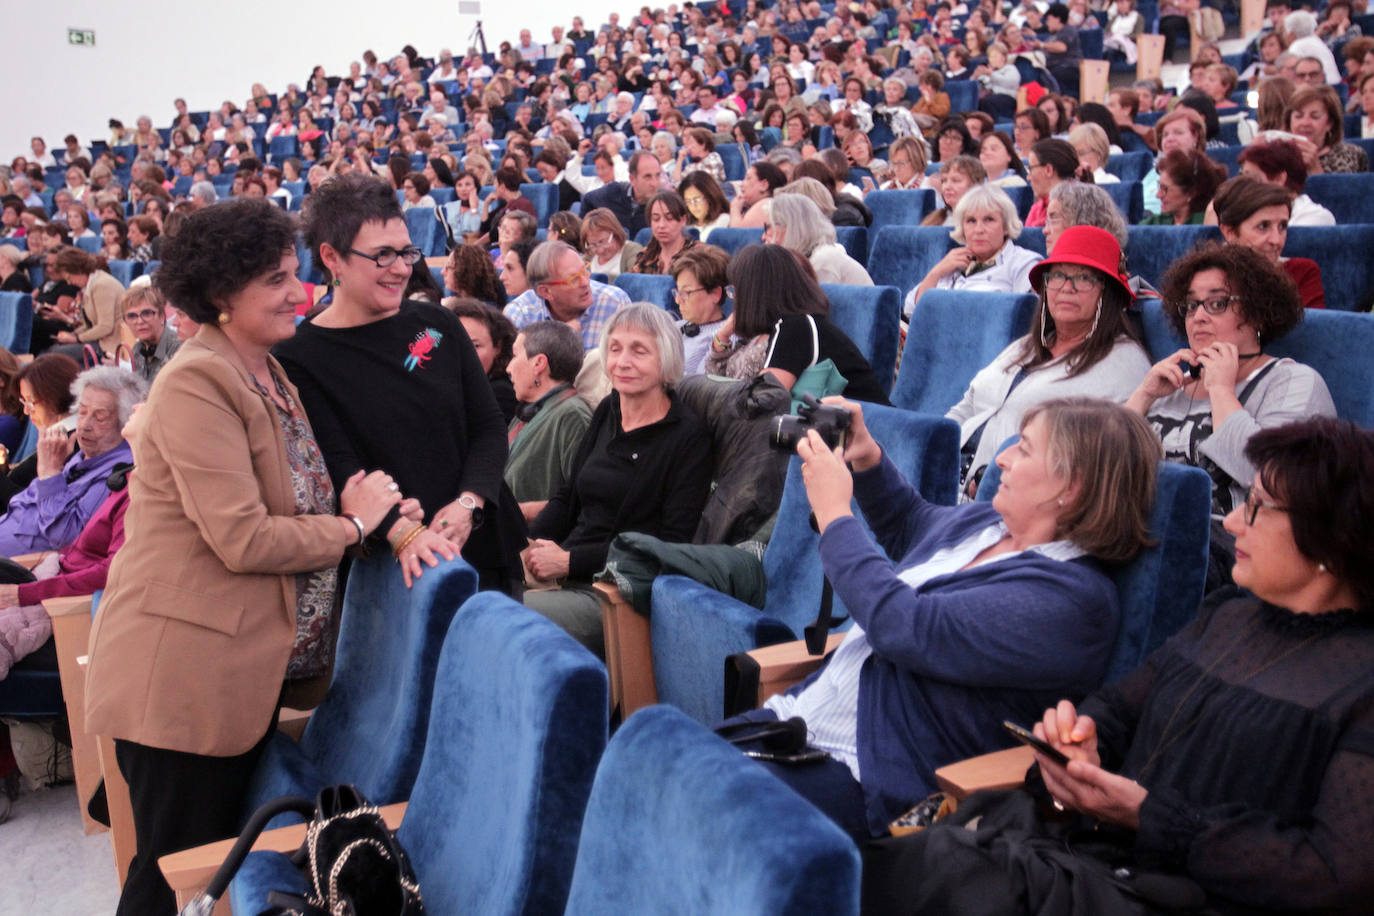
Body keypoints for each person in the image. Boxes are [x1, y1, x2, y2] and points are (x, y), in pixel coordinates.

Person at [864, 416, 1374, 916]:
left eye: (1258, 509)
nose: (1235, 521)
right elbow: (1115, 711)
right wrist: (1077, 744)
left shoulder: (1360, 681)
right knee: (906, 862)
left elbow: (1335, 873)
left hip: (1194, 896)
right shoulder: (1227, 615)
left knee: (934, 872)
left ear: (1330, 535)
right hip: (1095, 860)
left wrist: (1146, 816)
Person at [83, 198, 416, 916]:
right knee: (170, 881)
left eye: (295, 275)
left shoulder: (267, 370)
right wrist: (351, 528)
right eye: (273, 280)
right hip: (182, 681)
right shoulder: (199, 381)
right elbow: (244, 538)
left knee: (192, 868)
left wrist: (362, 509)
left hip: (233, 675)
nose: (297, 293)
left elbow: (295, 498)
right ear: (218, 297)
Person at [732, 396, 1160, 844]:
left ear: (1070, 487)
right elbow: (910, 524)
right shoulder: (989, 524)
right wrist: (867, 455)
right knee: (659, 763)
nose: (1001, 458)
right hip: (795, 725)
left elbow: (907, 627)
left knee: (689, 810)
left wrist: (835, 514)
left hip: (870, 779)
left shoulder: (1073, 603)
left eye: (1025, 449)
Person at [273, 175, 515, 591]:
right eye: (383, 256)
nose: (402, 269)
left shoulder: (437, 322)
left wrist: (468, 503)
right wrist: (401, 529)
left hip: (480, 543)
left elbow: (488, 426)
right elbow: (340, 466)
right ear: (332, 258)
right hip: (390, 566)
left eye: (406, 252)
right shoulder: (299, 356)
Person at [1127, 243, 1334, 586]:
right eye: (1191, 305)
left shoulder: (1294, 382)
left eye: (1217, 303)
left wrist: (1222, 391)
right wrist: (1143, 395)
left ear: (1257, 313)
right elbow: (1102, 467)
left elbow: (1269, 478)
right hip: (1142, 528)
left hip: (1226, 544)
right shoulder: (1169, 385)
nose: (1198, 316)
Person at [522, 303, 712, 656]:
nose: (622, 361)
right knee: (476, 581)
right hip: (563, 564)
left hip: (614, 591)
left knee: (505, 614)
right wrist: (531, 544)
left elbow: (668, 544)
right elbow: (568, 497)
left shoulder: (688, 438)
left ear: (667, 360)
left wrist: (570, 561)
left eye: (639, 351)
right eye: (614, 348)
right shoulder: (610, 408)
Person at [948, 227, 1152, 495]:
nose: (1067, 288)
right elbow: (967, 406)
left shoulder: (1125, 363)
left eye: (1084, 278)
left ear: (1108, 292)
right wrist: (933, 454)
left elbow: (1093, 456)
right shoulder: (1025, 346)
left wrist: (993, 482)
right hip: (951, 478)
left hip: (1011, 497)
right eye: (1057, 276)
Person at [711, 244, 888, 404]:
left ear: (755, 294)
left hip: (871, 430)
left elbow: (762, 399)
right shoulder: (794, 324)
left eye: (736, 291)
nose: (734, 299)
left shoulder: (796, 327)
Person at [0, 365, 144, 557]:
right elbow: (23, 502)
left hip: (24, 567)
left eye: (99, 417)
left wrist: (50, 473)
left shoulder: (117, 474)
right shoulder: (84, 455)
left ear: (125, 424)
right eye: (82, 412)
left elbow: (65, 538)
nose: (84, 425)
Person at [504, 320, 594, 522]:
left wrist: (520, 512)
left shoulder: (572, 415)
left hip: (541, 547)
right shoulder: (531, 411)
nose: (508, 367)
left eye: (515, 355)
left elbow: (584, 501)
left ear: (538, 364)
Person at [905, 184, 1040, 318]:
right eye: (971, 221)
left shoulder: (1023, 263)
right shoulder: (952, 263)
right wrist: (935, 273)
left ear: (1005, 226)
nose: (979, 230)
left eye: (989, 220)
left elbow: (1030, 319)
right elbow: (911, 310)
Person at [1211, 176, 1324, 309]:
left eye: (1282, 226)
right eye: (1263, 226)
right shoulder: (1205, 277)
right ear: (1230, 232)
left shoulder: (1301, 272)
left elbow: (1308, 328)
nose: (1276, 240)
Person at [505, 240, 632, 351]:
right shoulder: (520, 314)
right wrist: (556, 341)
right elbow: (515, 374)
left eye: (585, 270)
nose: (585, 282)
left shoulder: (615, 303)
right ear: (545, 292)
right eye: (574, 279)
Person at [767, 193, 874, 286]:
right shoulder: (807, 257)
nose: (764, 235)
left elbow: (814, 308)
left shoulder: (823, 261)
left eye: (768, 227)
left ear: (791, 228)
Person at [448, 298, 519, 422]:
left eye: (475, 346)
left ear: (498, 347)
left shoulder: (499, 395)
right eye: (453, 345)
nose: (463, 354)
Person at [1237, 138, 1336, 227]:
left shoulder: (1315, 218)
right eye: (1242, 176)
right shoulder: (1245, 212)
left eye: (1251, 178)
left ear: (1279, 179)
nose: (1244, 186)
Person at [47, 246, 123, 360]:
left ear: (78, 269)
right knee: (53, 349)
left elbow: (105, 327)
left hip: (111, 344)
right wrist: (73, 335)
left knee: (55, 355)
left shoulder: (101, 285)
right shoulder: (90, 285)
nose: (68, 283)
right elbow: (89, 325)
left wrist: (76, 339)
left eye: (68, 277)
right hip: (100, 340)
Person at [668, 243, 731, 376]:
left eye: (686, 293)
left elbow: (698, 388)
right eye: (677, 292)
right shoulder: (674, 327)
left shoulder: (726, 340)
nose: (677, 300)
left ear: (715, 294)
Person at [1283, 84, 1369, 173]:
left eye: (1315, 117)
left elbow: (1340, 186)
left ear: (1330, 123)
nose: (1305, 123)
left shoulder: (1349, 155)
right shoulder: (1278, 154)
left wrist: (1314, 168)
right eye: (1298, 116)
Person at [1140, 149, 1227, 225]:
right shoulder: (1155, 222)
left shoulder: (1204, 223)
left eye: (1165, 189)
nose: (1158, 195)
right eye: (1159, 186)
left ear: (1191, 192)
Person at [120, 285, 182, 384]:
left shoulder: (179, 349)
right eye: (132, 316)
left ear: (162, 317)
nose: (139, 321)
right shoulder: (137, 350)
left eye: (147, 313)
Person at [632, 190, 699, 274]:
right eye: (656, 219)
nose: (661, 225)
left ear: (683, 220)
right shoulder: (645, 256)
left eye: (669, 218)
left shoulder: (698, 256)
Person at [1023, 139, 1078, 227]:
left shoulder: (1075, 208)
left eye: (1030, 169)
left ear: (1049, 170)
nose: (1028, 178)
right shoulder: (1036, 209)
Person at [921, 156, 988, 228]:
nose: (947, 187)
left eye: (956, 180)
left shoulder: (984, 222)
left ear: (975, 185)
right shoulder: (933, 220)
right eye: (944, 181)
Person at [581, 207, 643, 279]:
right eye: (593, 244)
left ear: (615, 234)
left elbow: (633, 282)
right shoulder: (588, 257)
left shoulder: (632, 251)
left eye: (602, 242)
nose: (600, 250)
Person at [442, 243, 506, 307]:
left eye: (448, 267)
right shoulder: (454, 299)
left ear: (465, 271)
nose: (442, 272)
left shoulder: (484, 311)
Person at [678, 170, 731, 241]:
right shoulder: (686, 225)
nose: (693, 205)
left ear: (710, 196)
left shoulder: (723, 219)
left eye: (697, 199)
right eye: (688, 201)